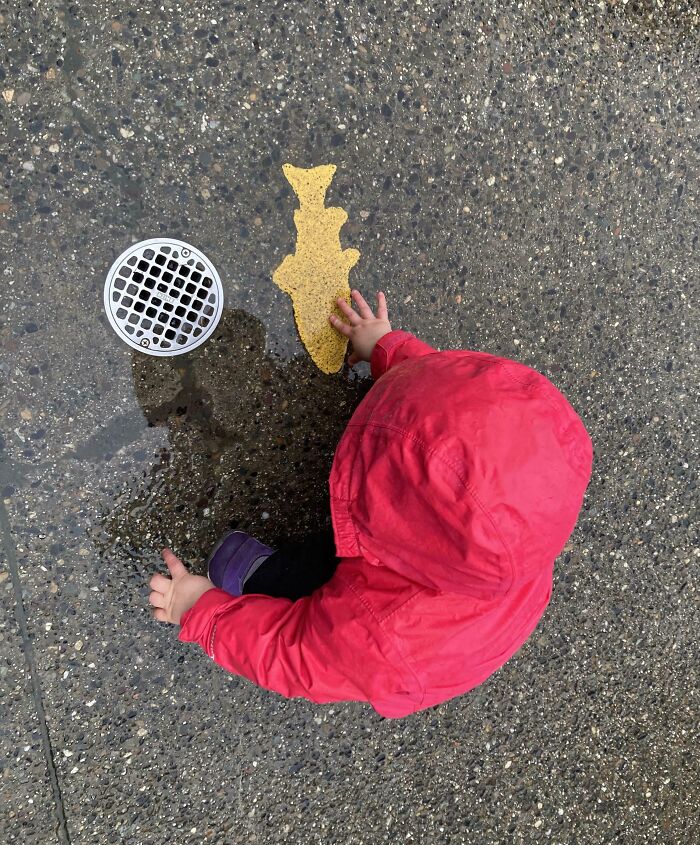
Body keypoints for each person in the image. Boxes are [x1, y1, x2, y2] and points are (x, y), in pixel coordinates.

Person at [148, 290, 593, 718]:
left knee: (311, 594)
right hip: (464, 589)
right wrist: (387, 348)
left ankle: (264, 580)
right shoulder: (528, 486)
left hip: (399, 643)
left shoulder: (384, 638)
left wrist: (201, 611)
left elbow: (294, 654)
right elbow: (452, 400)